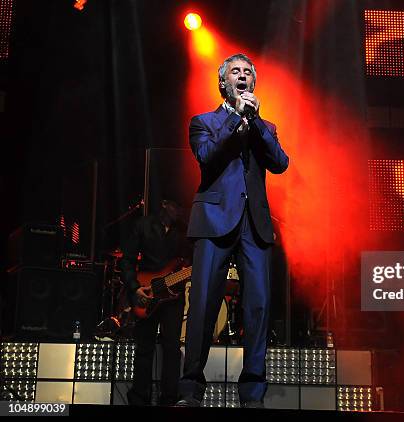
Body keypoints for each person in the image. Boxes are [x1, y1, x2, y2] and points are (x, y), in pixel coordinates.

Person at [177, 53, 289, 408]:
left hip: (254, 226)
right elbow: (207, 156)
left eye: (247, 73)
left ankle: (253, 394)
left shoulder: (265, 127)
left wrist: (253, 122)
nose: (241, 76)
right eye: (234, 72)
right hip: (214, 222)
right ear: (223, 83)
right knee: (204, 306)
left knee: (258, 307)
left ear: (253, 83)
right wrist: (236, 116)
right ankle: (191, 388)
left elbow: (280, 163)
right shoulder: (203, 121)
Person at [120, 200, 190, 406]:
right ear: (165, 204)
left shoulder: (185, 231)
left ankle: (169, 399)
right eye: (176, 206)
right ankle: (140, 398)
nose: (179, 210)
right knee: (144, 348)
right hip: (146, 294)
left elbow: (191, 261)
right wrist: (135, 288)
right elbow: (127, 260)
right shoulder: (143, 225)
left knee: (172, 348)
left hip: (173, 297)